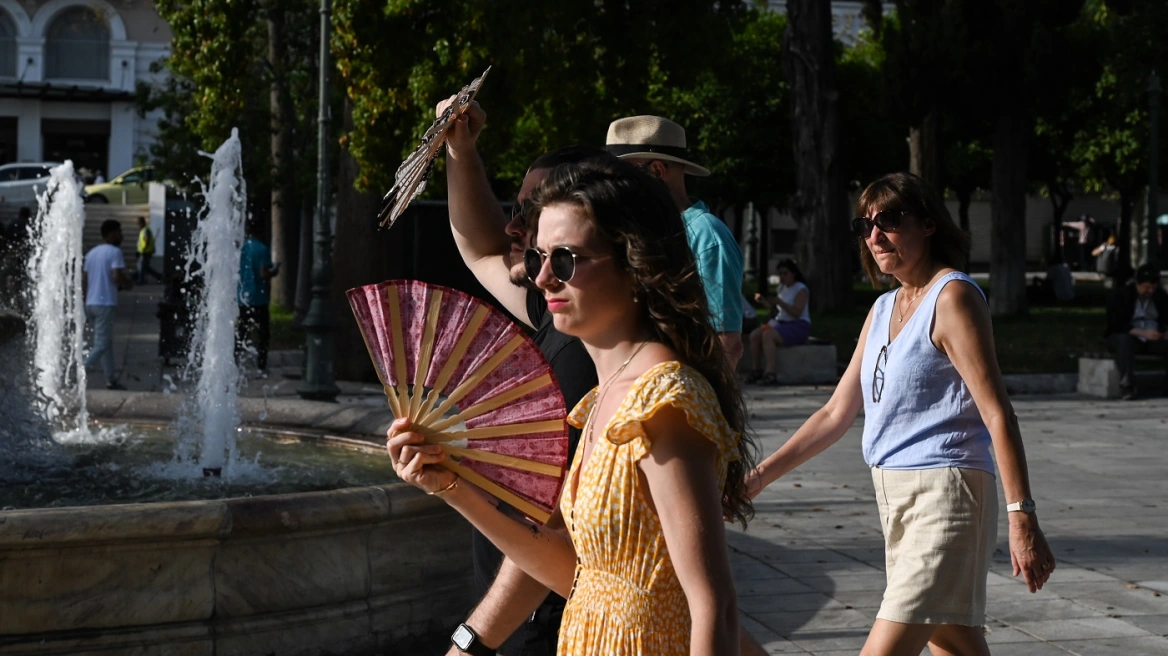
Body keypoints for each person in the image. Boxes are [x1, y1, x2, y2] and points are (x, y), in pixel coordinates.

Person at [388, 156, 757, 655]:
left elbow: (715, 603)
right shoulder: (602, 396)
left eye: (565, 260)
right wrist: (450, 484)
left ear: (635, 263)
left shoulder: (662, 402)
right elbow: (574, 571)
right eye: (539, 258)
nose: (542, 279)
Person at [746, 172, 1055, 656]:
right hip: (893, 497)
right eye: (865, 225)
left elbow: (999, 415)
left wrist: (1023, 519)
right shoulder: (883, 307)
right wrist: (758, 478)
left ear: (928, 224)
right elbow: (834, 414)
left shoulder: (952, 297)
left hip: (947, 494)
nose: (874, 236)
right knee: (953, 643)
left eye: (889, 220)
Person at [433, 95, 601, 656]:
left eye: (530, 213)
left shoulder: (593, 360)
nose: (512, 227)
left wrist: (472, 640)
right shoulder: (565, 309)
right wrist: (461, 151)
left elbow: (556, 529)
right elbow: (481, 247)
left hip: (544, 625)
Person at [605, 115, 745, 369]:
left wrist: (698, 403)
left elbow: (726, 343)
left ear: (657, 171)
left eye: (620, 177)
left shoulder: (706, 235)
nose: (610, 188)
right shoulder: (635, 230)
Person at [1104, 263, 1168, 400]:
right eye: (1146, 287)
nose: (1150, 291)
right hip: (1129, 336)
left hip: (1153, 339)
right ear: (1138, 284)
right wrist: (1142, 333)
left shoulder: (1160, 297)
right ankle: (1128, 386)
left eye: (1153, 288)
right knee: (1124, 341)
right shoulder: (1122, 296)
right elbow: (1116, 324)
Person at [82, 219, 133, 389]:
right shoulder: (114, 252)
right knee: (101, 345)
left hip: (91, 303)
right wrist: (127, 284)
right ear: (110, 234)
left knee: (106, 343)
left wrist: (86, 298)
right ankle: (78, 374)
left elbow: (84, 279)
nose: (122, 235)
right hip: (105, 303)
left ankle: (110, 379)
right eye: (119, 231)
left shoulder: (92, 253)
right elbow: (116, 276)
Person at [746, 259, 811, 385]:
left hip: (798, 325)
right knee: (754, 335)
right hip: (781, 323)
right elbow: (776, 309)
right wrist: (763, 302)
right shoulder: (781, 288)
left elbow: (797, 312)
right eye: (780, 274)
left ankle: (771, 372)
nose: (782, 277)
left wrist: (780, 302)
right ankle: (756, 370)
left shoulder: (800, 289)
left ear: (793, 274)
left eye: (785, 273)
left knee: (768, 335)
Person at [236, 220, 277, 372]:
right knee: (263, 334)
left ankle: (233, 362)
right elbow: (263, 273)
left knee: (241, 331)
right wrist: (274, 271)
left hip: (242, 297)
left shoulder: (241, 248)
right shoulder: (262, 249)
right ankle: (261, 365)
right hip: (258, 298)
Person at [135, 216, 162, 284]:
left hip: (146, 252)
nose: (138, 225)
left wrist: (143, 249)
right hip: (145, 251)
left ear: (142, 223)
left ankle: (141, 280)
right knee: (145, 267)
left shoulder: (145, 230)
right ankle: (159, 276)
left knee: (142, 266)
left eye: (138, 223)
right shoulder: (144, 230)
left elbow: (147, 240)